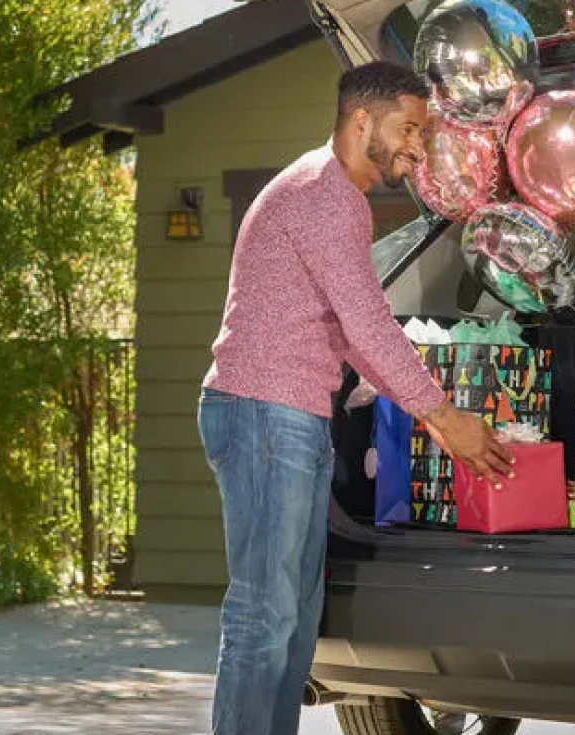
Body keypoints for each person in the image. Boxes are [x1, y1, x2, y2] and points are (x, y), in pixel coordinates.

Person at [198, 61, 514, 735]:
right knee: (265, 613)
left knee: (292, 618)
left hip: (290, 415)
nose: (417, 148)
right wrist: (443, 416)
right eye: (409, 129)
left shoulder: (335, 196)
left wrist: (406, 399)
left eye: (423, 134)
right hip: (262, 410)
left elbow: (348, 331)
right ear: (361, 120)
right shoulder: (326, 193)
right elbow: (369, 322)